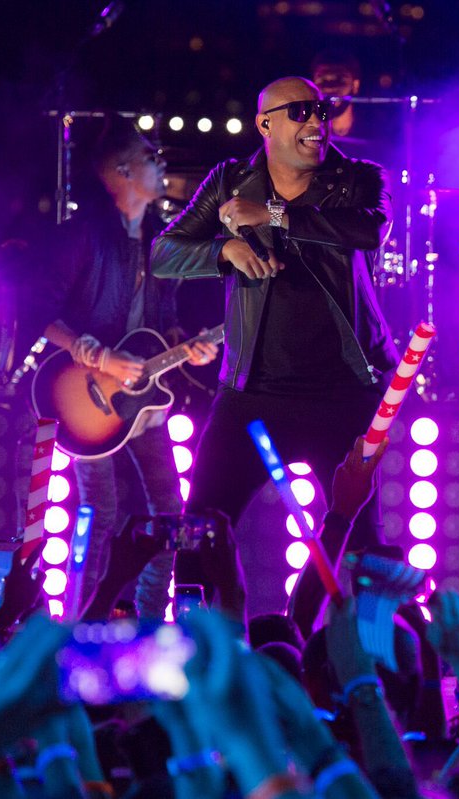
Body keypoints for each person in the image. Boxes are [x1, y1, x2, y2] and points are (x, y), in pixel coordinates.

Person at [150, 76, 399, 584]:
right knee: (199, 534)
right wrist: (224, 250)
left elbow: (368, 229)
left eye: (321, 111)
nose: (316, 122)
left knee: (359, 547)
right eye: (301, 112)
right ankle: (209, 654)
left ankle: (365, 657)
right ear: (265, 124)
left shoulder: (357, 179)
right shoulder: (229, 179)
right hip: (252, 395)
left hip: (343, 391)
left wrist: (274, 215)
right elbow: (163, 253)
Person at [38, 120, 218, 618]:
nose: (161, 163)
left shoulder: (161, 242)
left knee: (171, 514)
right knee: (101, 510)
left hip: (141, 400)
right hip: (85, 395)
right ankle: (82, 621)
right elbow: (38, 313)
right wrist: (96, 354)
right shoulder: (81, 237)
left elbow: (165, 324)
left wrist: (189, 347)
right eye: (149, 156)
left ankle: (150, 617)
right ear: (121, 171)